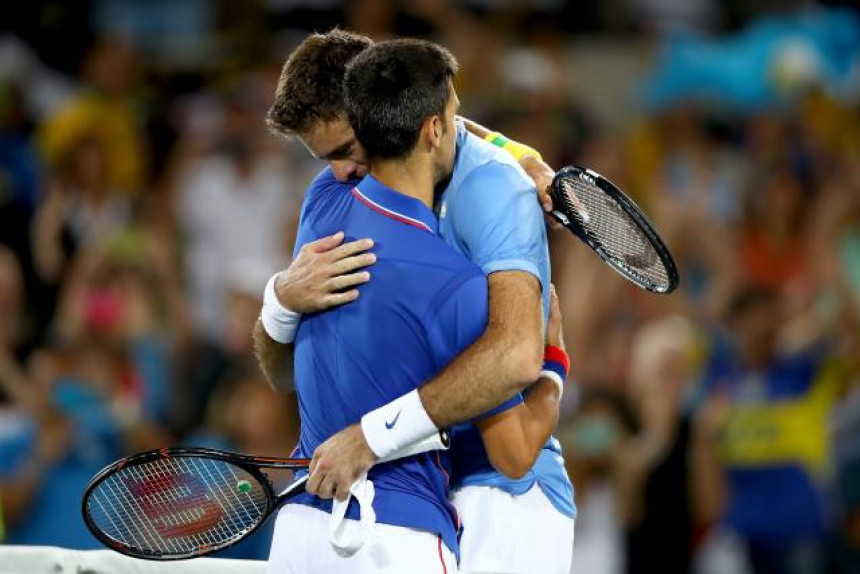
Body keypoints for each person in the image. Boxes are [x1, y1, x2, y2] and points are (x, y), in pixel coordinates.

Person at [257, 30, 575, 573]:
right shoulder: (333, 198)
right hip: (417, 505)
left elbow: (510, 364)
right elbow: (283, 371)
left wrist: (367, 438)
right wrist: (280, 299)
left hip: (503, 496)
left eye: (343, 150)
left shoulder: (498, 192)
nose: (339, 172)